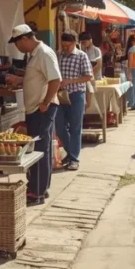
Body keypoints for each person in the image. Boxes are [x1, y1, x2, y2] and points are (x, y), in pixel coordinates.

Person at [5, 24, 61, 206]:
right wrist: (21, 80)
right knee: (41, 148)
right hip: (36, 108)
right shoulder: (34, 55)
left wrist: (45, 102)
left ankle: (37, 192)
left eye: (17, 43)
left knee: (39, 150)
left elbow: (56, 80)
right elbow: (38, 78)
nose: (17, 47)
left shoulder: (44, 53)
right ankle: (41, 188)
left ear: (24, 39)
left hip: (41, 108)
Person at [56, 32, 93, 171]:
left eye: (68, 46)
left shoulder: (81, 56)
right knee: (59, 127)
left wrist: (71, 81)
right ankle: (70, 152)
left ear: (74, 43)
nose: (65, 48)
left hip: (76, 95)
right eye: (63, 45)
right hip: (60, 95)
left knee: (75, 128)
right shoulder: (58, 55)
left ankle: (74, 158)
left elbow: (88, 76)